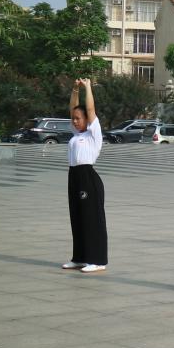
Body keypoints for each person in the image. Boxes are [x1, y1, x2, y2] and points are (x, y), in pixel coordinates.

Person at [63, 78, 108, 273]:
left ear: (87, 120)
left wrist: (88, 87)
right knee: (78, 217)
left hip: (88, 178)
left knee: (91, 219)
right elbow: (72, 108)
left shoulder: (93, 133)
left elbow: (90, 109)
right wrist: (75, 89)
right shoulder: (76, 134)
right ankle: (80, 258)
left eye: (78, 118)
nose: (75, 121)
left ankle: (97, 260)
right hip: (74, 176)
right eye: (73, 119)